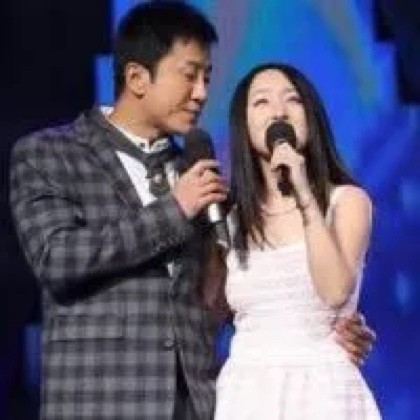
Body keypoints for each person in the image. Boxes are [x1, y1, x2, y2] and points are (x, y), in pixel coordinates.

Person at [9, 1, 375, 418]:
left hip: (196, 405)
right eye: (189, 75)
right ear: (137, 78)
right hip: (102, 399)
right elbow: (58, 259)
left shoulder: (198, 174)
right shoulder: (51, 154)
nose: (201, 93)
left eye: (207, 78)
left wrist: (328, 330)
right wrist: (174, 209)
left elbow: (226, 299)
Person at [213, 63, 381, 419]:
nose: (279, 111)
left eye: (292, 100)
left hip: (324, 393)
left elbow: (335, 292)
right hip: (247, 395)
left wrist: (304, 191)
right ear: (243, 124)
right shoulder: (228, 220)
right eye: (261, 102)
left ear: (311, 116)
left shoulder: (347, 202)